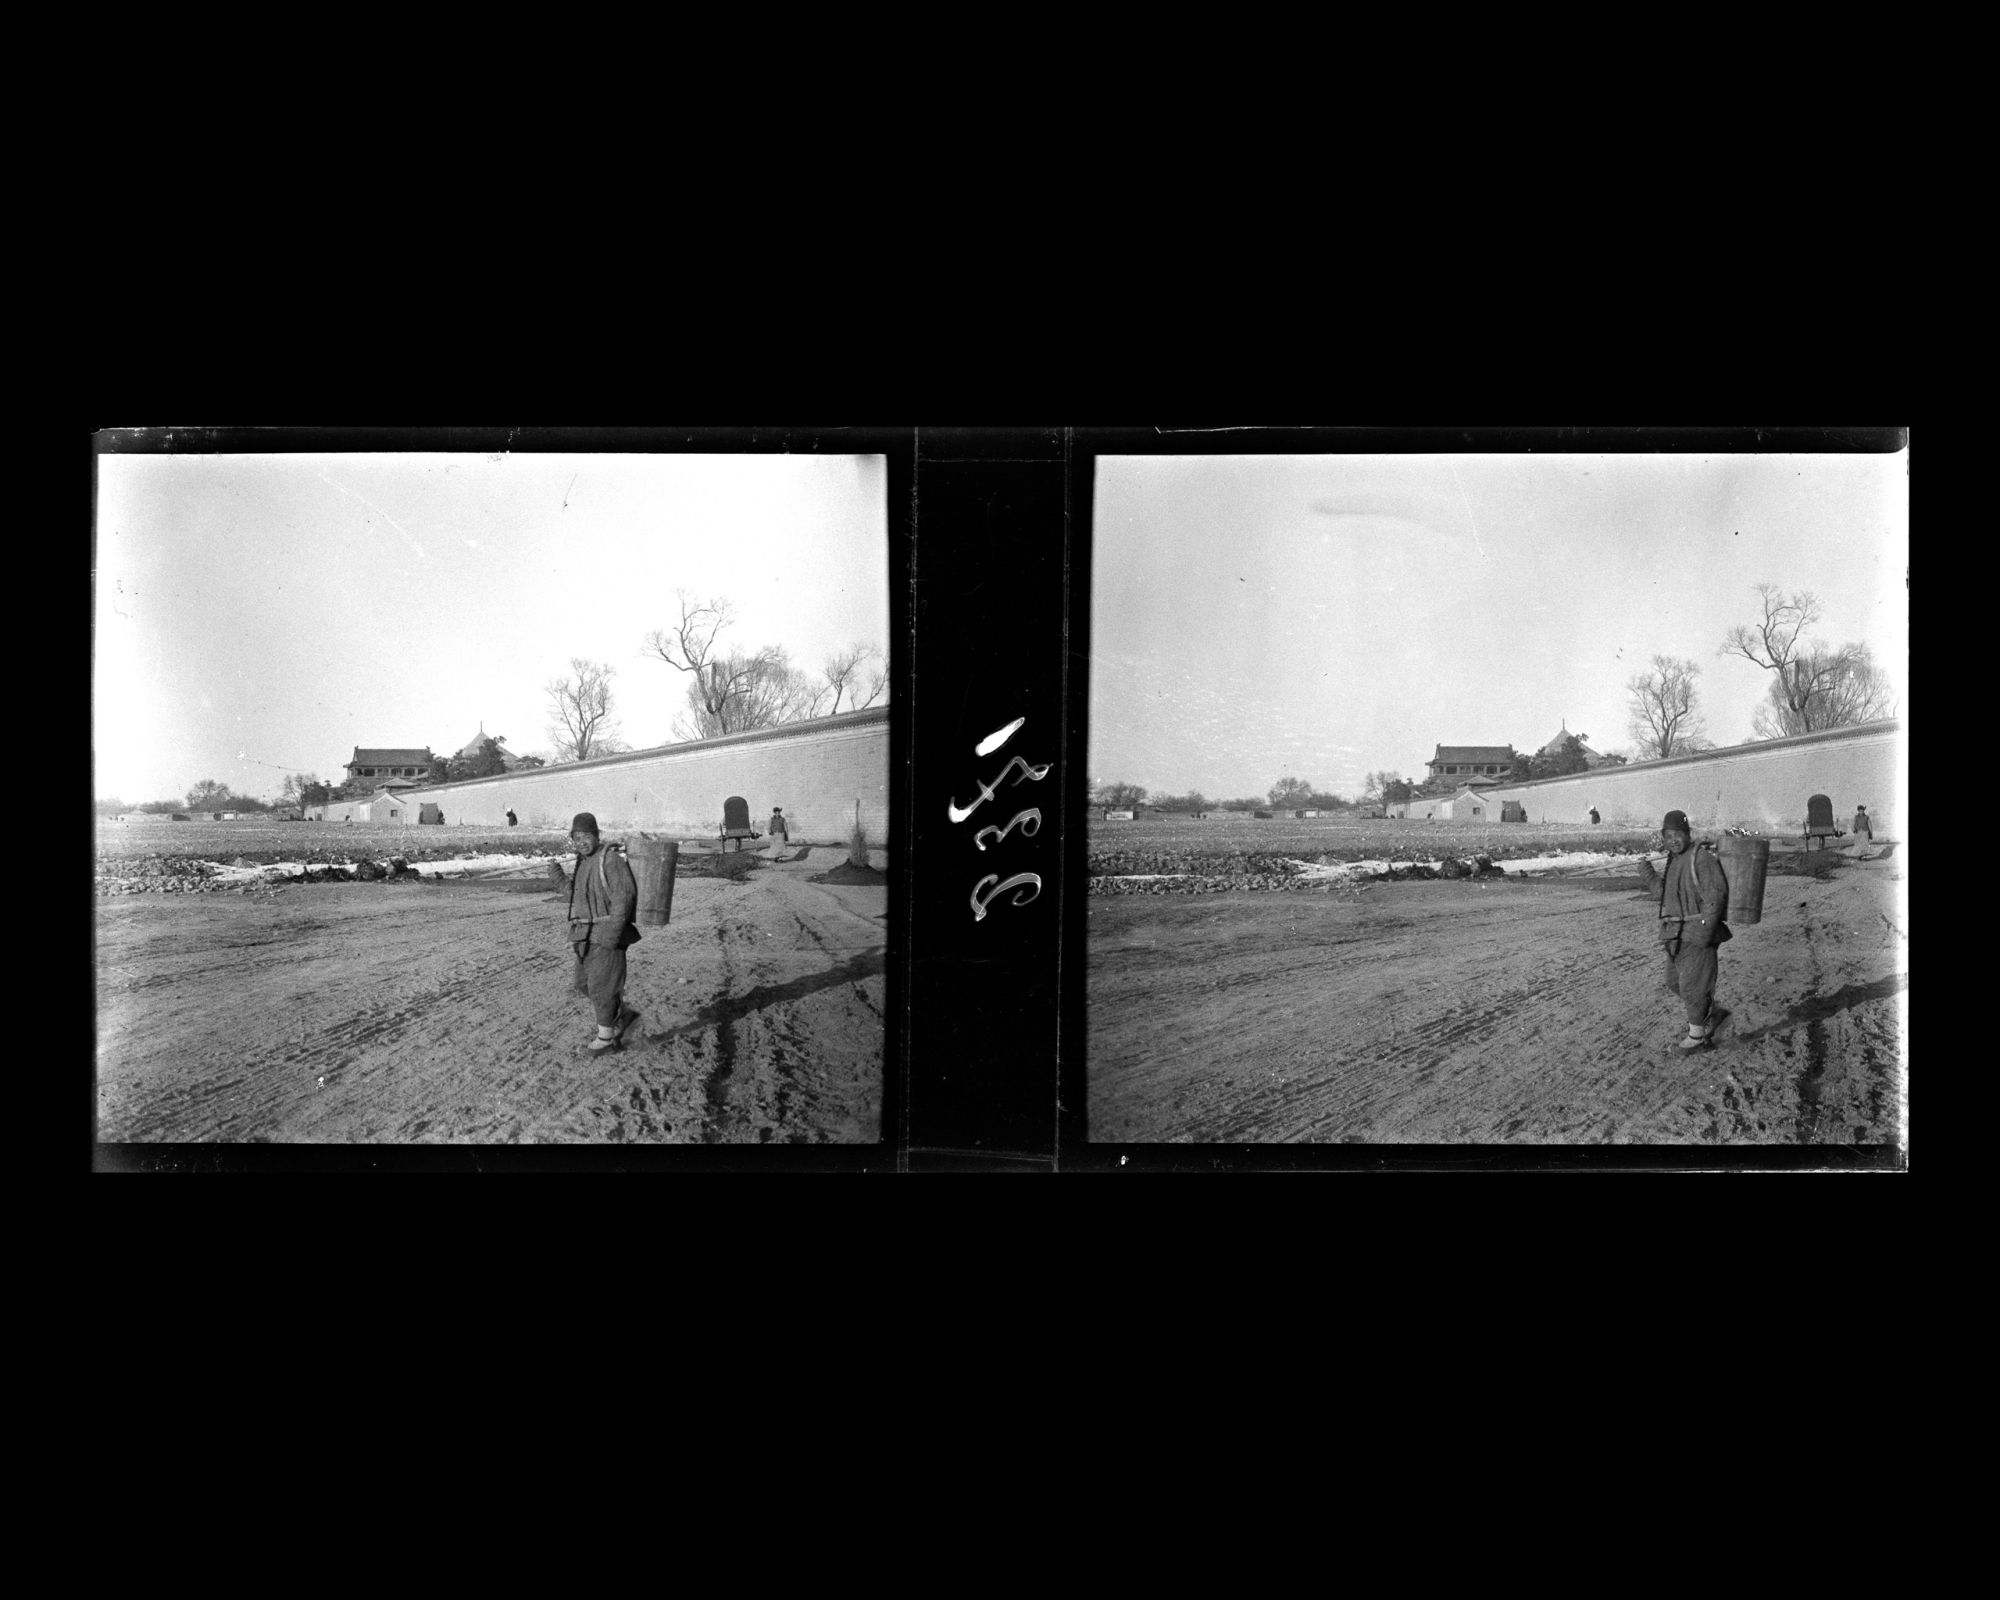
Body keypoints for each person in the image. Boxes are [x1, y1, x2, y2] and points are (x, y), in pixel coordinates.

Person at [565, 812, 642, 1055]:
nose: (582, 842)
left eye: (586, 836)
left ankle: (606, 1039)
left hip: (607, 935)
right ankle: (621, 1015)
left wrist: (612, 934)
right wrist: (556, 876)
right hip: (585, 936)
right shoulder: (584, 863)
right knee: (582, 984)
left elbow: (624, 898)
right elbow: (577, 896)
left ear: (597, 836)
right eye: (577, 838)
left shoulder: (610, 860)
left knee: (602, 987)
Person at [1657, 808, 1731, 1052]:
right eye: (1668, 836)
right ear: (1663, 838)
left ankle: (1697, 1039)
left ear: (1688, 834)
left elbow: (1715, 895)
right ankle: (1711, 1014)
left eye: (1678, 834)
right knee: (1673, 981)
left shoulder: (1701, 858)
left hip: (1697, 933)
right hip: (1675, 934)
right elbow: (1665, 897)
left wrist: (1705, 930)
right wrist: (1646, 873)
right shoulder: (1674, 861)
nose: (1673, 840)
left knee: (1692, 986)